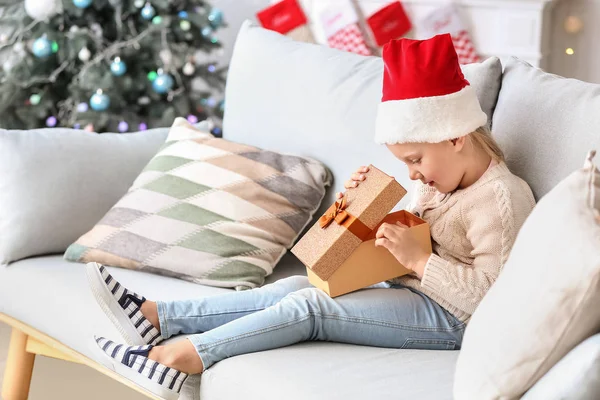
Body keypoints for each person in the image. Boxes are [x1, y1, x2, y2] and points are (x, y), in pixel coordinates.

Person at [89, 33, 536, 400]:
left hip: (455, 321)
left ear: (455, 136)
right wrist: (357, 208)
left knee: (310, 308)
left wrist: (420, 263)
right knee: (295, 286)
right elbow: (412, 235)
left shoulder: (500, 198)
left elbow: (490, 302)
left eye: (416, 159)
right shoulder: (440, 179)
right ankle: (157, 317)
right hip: (410, 291)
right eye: (406, 163)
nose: (414, 174)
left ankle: (179, 360)